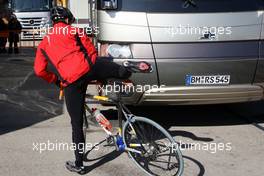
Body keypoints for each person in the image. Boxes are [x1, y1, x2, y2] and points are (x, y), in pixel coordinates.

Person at [34, 6, 131, 174]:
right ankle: (129, 74)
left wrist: (57, 81)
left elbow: (39, 70)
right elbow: (91, 51)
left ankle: (79, 163)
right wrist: (98, 74)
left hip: (70, 81)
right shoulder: (74, 30)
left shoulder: (43, 43)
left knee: (76, 124)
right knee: (116, 69)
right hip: (88, 68)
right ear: (67, 19)